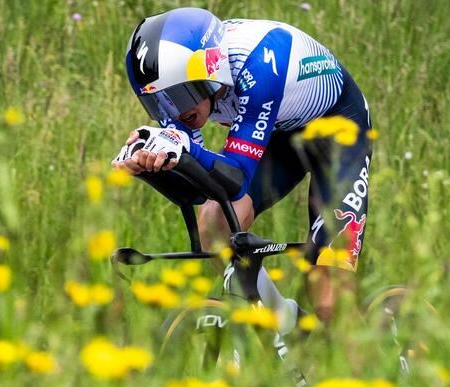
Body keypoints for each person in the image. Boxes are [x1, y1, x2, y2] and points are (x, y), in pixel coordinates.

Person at [112, 8, 373, 327]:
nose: (172, 112)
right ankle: (286, 329)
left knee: (329, 296)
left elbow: (235, 180)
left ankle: (381, 369)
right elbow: (197, 192)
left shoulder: (259, 66)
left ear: (210, 71)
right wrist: (151, 164)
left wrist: (186, 149)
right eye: (158, 103)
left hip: (339, 133)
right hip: (277, 133)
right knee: (214, 221)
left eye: (178, 96)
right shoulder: (182, 86)